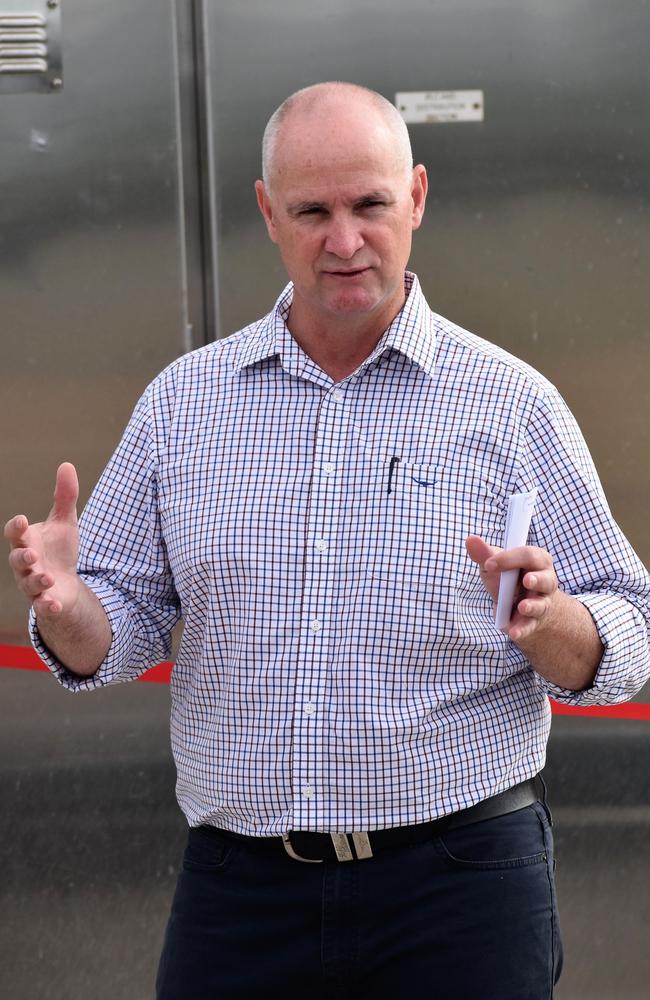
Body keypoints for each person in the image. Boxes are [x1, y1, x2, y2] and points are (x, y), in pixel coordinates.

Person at [5, 82, 650, 999]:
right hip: (242, 893)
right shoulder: (184, 405)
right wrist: (73, 611)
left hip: (461, 885)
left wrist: (554, 625)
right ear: (269, 212)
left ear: (417, 198)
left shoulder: (513, 406)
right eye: (312, 211)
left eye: (370, 206)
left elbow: (632, 624)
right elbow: (119, 631)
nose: (344, 241)